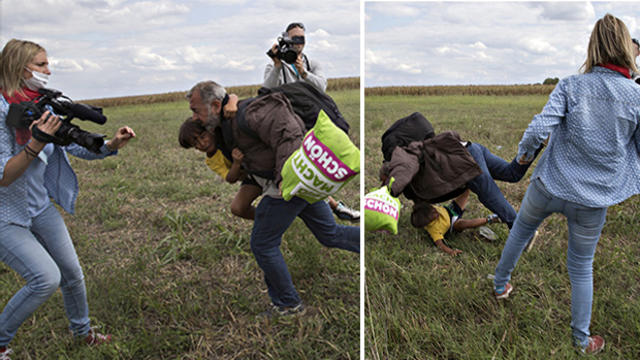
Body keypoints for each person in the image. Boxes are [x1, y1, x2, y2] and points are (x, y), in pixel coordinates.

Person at [493, 14, 640, 355]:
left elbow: (536, 131)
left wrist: (523, 159)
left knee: (520, 233)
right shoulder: (635, 96)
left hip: (549, 185)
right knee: (581, 266)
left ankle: (500, 285)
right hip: (593, 199)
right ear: (624, 47)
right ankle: (580, 339)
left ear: (593, 45)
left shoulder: (571, 85)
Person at [0, 39, 136, 359]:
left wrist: (111, 143)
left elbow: (70, 144)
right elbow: (4, 175)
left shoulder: (40, 105)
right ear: (22, 69)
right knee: (45, 278)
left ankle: (82, 332)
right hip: (6, 213)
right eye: (42, 64)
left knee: (72, 273)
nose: (49, 70)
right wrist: (35, 142)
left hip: (39, 207)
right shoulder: (2, 110)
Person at [185, 80, 359, 316]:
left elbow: (288, 132)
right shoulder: (225, 120)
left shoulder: (250, 111)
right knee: (330, 234)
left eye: (196, 110)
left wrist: (283, 180)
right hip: (299, 183)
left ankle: (288, 304)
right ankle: (370, 243)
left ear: (215, 105)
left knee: (263, 243)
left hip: (288, 183)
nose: (194, 117)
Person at [263, 22, 358, 222]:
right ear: (285, 39)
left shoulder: (311, 63)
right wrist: (278, 65)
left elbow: (321, 87)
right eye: (294, 39)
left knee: (315, 160)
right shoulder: (274, 64)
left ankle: (325, 204)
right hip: (287, 117)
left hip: (310, 115)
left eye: (302, 39)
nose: (298, 43)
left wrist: (304, 73)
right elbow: (267, 89)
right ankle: (330, 205)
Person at [179, 118, 261, 220]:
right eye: (195, 143)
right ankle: (268, 219)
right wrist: (236, 164)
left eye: (203, 136)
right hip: (251, 179)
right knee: (237, 208)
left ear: (210, 130)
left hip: (262, 168)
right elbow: (230, 178)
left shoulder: (226, 135)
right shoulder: (211, 160)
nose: (202, 144)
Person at [410, 189, 501, 256]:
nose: (436, 212)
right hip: (453, 224)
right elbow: (440, 245)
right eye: (434, 215)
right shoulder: (434, 230)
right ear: (429, 222)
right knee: (464, 224)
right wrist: (451, 251)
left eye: (434, 210)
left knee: (465, 191)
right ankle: (490, 219)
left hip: (450, 210)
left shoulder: (426, 208)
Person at [264, 22, 327, 92]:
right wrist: (277, 67)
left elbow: (322, 88)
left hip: (308, 102)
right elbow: (267, 91)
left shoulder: (312, 64)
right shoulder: (273, 65)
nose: (299, 42)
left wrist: (304, 73)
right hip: (286, 102)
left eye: (301, 38)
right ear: (286, 39)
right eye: (295, 38)